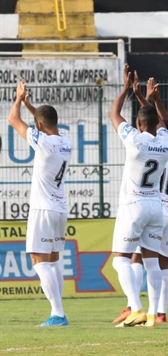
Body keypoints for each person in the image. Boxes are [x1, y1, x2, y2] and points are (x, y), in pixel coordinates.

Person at [113, 77, 168, 324]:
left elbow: (114, 113)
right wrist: (150, 98)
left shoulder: (134, 140)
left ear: (138, 124)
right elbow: (165, 124)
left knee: (120, 259)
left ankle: (135, 307)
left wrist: (125, 89)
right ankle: (154, 314)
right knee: (153, 262)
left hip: (134, 205)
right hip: (158, 207)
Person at [8, 80, 72, 326]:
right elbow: (44, 122)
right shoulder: (65, 140)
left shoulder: (43, 143)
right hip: (59, 208)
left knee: (38, 260)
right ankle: (59, 311)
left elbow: (13, 120)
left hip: (43, 208)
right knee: (54, 260)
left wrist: (18, 100)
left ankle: (58, 313)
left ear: (39, 125)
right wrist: (30, 106)